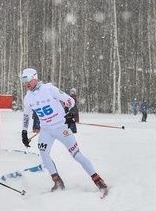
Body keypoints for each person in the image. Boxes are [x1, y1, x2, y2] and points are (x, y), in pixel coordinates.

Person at [20, 68, 108, 196]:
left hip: (61, 127)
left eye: (27, 79)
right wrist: (23, 132)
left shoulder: (49, 89)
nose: (25, 83)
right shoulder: (28, 98)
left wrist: (69, 111)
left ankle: (97, 180)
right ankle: (57, 182)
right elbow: (26, 116)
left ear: (35, 78)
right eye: (23, 80)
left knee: (76, 155)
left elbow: (70, 101)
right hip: (46, 130)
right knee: (44, 154)